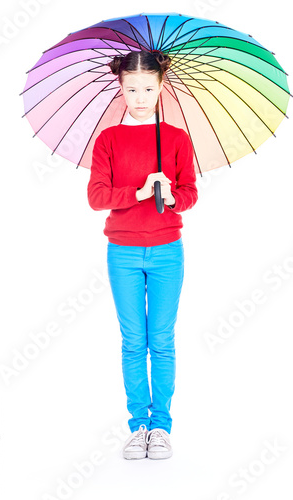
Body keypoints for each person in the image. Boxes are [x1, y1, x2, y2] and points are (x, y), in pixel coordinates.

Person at [87, 50, 198, 460]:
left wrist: (170, 195)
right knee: (134, 341)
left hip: (168, 252)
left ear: (160, 87)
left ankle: (162, 427)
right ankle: (138, 426)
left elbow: (190, 194)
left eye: (148, 88)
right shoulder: (109, 139)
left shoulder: (175, 138)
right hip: (124, 253)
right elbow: (96, 197)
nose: (139, 97)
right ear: (120, 88)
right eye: (131, 89)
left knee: (162, 340)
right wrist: (135, 193)